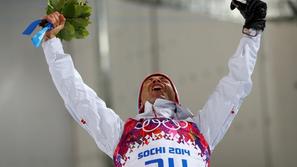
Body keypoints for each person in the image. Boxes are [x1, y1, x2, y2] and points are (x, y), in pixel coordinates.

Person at [41, 0, 267, 166]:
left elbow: (234, 88)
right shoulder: (122, 133)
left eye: (163, 81)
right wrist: (52, 44)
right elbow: (78, 96)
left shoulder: (199, 129)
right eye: (150, 81)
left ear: (176, 97)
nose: (157, 80)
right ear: (141, 102)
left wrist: (253, 32)